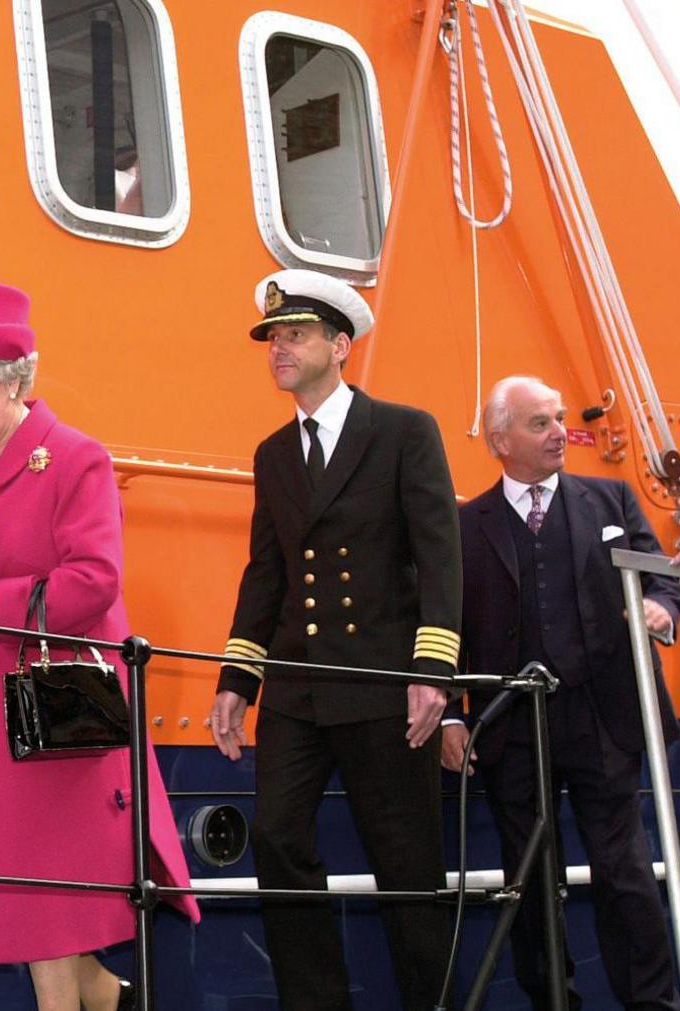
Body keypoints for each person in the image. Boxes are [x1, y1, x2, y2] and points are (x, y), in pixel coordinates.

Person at [0, 281, 197, 1011]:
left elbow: (94, 581)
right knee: (29, 901)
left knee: (51, 899)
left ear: (12, 378)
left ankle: (104, 1000)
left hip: (61, 707)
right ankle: (113, 1000)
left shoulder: (75, 457)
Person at [206, 268, 461, 1010]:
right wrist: (237, 678)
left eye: (295, 335)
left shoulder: (404, 431)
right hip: (298, 686)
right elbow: (268, 573)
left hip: (383, 683)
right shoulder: (273, 455)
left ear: (340, 344)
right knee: (279, 839)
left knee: (407, 865)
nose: (279, 349)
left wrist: (432, 671)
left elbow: (439, 555)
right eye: (272, 338)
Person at [444, 375, 680, 1010]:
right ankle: (553, 1003)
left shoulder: (612, 500)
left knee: (626, 873)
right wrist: (449, 715)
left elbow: (665, 582)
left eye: (558, 420)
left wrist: (659, 609)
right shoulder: (466, 526)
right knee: (529, 884)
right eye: (540, 423)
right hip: (512, 728)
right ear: (500, 440)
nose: (559, 434)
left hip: (604, 717)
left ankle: (652, 1004)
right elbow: (446, 626)